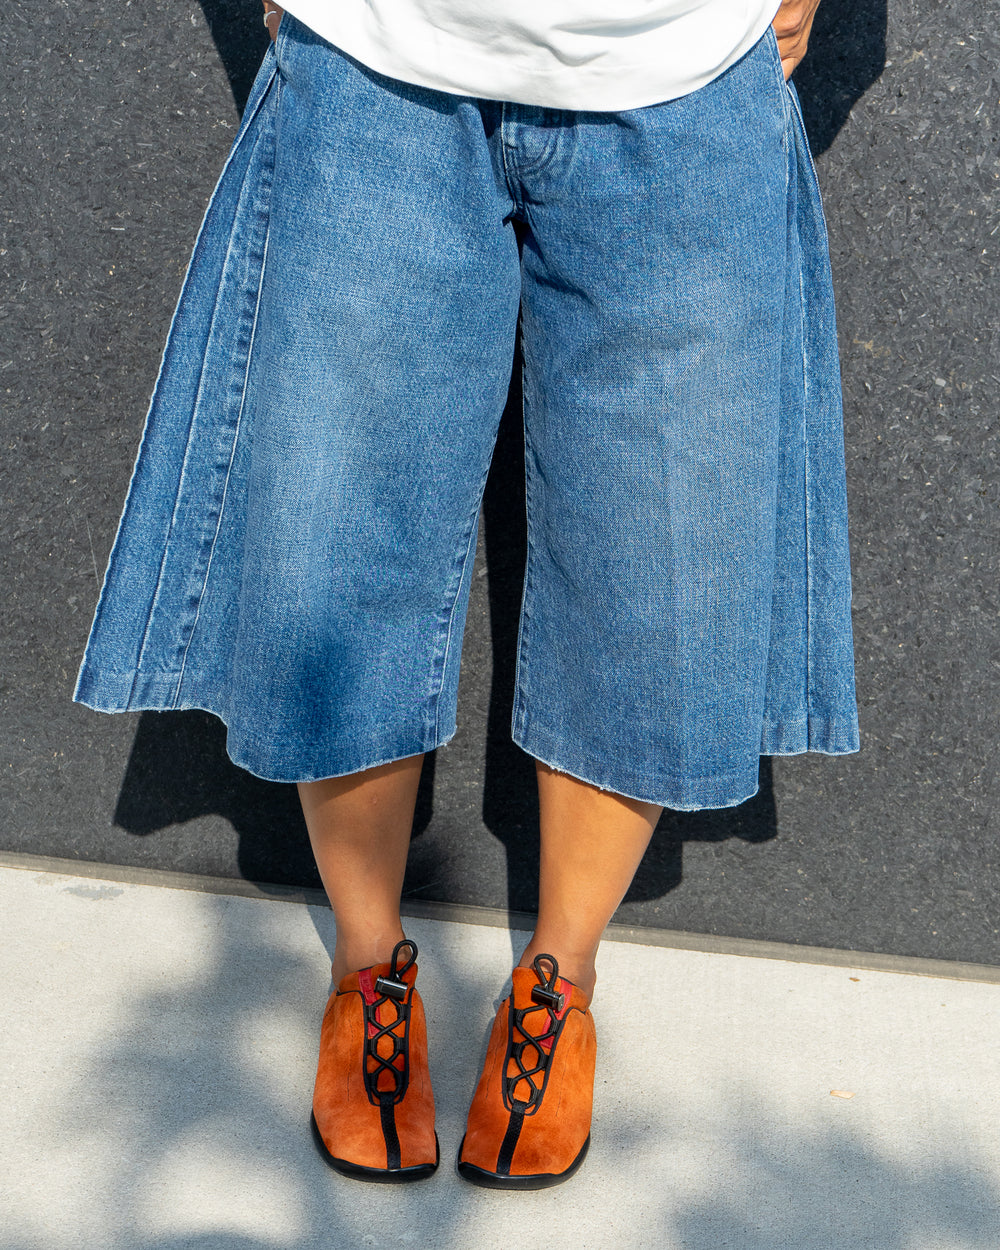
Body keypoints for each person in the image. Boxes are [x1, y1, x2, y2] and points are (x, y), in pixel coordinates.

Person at [75, 0, 858, 1187]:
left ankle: (563, 981)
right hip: (380, 51)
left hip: (685, 64)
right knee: (335, 533)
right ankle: (367, 967)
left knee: (662, 559)